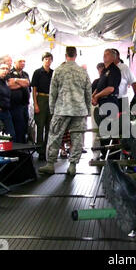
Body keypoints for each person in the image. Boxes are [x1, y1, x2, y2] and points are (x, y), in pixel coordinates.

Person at [38, 46, 92, 176]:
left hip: (62, 109)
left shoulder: (58, 70)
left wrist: (52, 109)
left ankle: (50, 164)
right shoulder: (83, 72)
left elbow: (53, 92)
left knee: (55, 136)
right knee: (77, 138)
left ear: (65, 55)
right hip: (79, 111)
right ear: (75, 56)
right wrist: (88, 111)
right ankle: (72, 166)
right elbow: (88, 93)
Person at [31, 52, 54, 161]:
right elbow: (34, 89)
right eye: (46, 59)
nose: (48, 61)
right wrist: (35, 104)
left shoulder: (53, 73)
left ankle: (47, 150)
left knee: (49, 127)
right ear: (42, 60)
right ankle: (40, 150)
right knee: (40, 126)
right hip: (40, 98)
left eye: (49, 59)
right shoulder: (37, 72)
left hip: (51, 99)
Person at [92, 49, 121, 126]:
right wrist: (93, 96)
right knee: (104, 128)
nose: (104, 56)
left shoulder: (114, 70)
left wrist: (97, 96)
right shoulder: (104, 70)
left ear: (113, 57)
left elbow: (110, 89)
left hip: (110, 102)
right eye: (104, 54)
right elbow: (99, 86)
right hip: (103, 102)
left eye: (107, 54)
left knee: (110, 128)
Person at [7, 57, 30, 143]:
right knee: (17, 128)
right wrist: (22, 83)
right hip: (14, 106)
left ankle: (22, 148)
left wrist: (17, 81)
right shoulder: (9, 73)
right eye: (20, 61)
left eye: (24, 61)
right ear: (14, 62)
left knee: (24, 128)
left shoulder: (25, 74)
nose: (23, 63)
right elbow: (10, 85)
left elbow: (27, 83)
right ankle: (16, 149)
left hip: (24, 106)